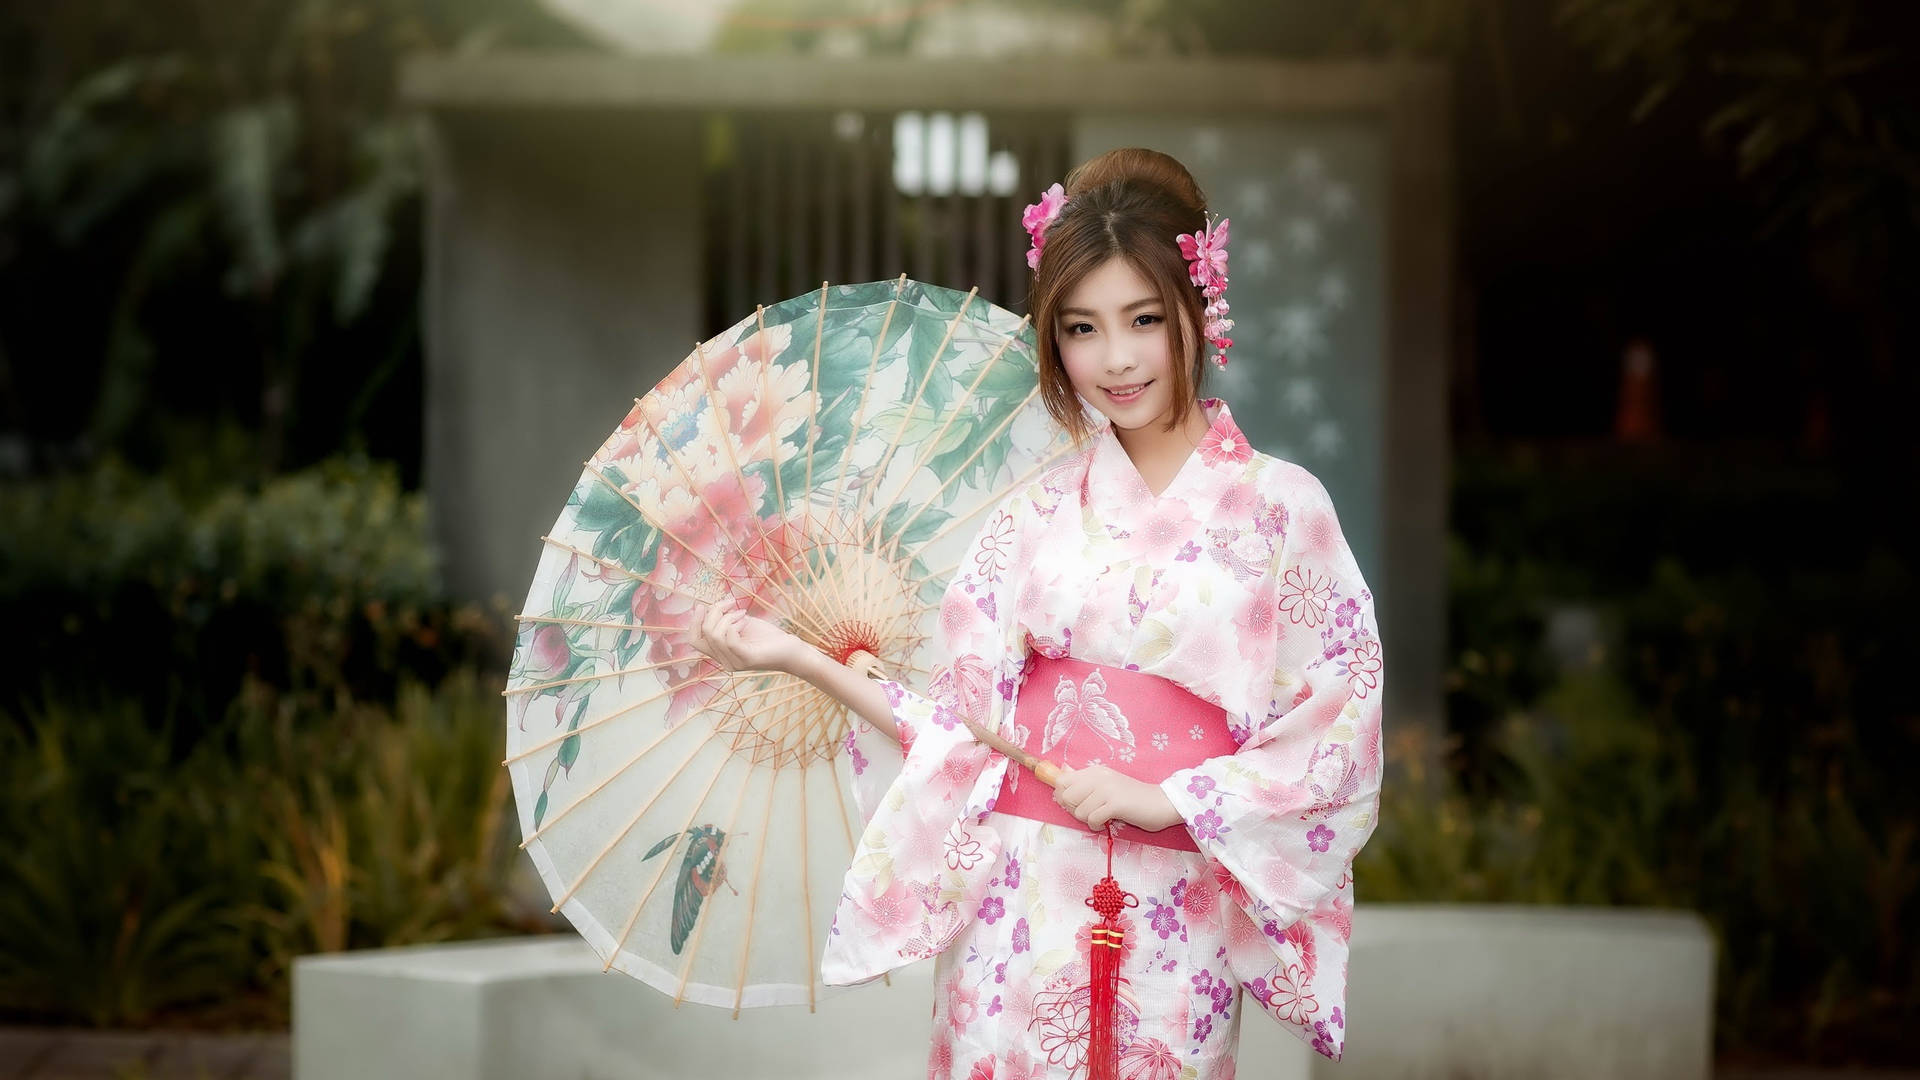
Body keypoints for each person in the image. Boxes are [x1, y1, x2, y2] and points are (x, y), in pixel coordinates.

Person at [689, 147, 1384, 1080]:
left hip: (1177, 898)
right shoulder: (1034, 513)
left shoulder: (1282, 510)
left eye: (1143, 318)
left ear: (1198, 305)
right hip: (1016, 905)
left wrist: (1169, 796)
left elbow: (1334, 734)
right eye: (1081, 328)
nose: (1117, 358)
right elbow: (962, 726)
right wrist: (798, 657)